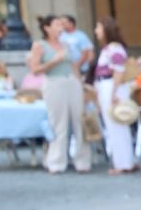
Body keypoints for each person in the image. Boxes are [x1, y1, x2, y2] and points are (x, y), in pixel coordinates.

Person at [31, 15, 87, 174]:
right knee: (58, 123)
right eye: (57, 25)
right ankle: (56, 161)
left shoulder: (66, 44)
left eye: (61, 25)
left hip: (71, 81)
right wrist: (54, 60)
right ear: (47, 28)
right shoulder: (39, 45)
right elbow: (35, 69)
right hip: (54, 82)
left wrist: (80, 84)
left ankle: (82, 160)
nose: (60, 28)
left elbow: (73, 65)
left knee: (79, 121)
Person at [92, 16, 135, 174]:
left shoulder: (114, 48)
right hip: (108, 86)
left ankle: (122, 163)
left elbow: (119, 70)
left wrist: (113, 93)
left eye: (98, 27)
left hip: (111, 86)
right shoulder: (109, 49)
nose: (96, 31)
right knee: (116, 125)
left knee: (116, 124)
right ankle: (125, 160)